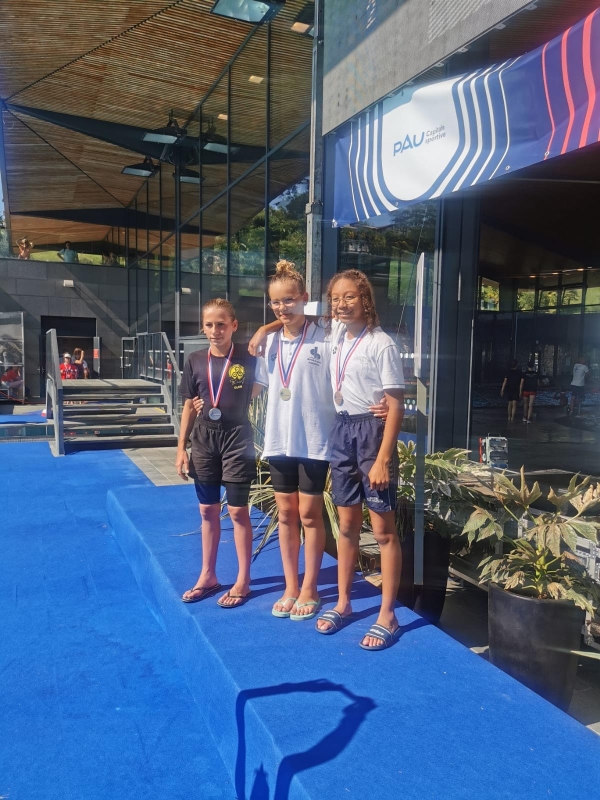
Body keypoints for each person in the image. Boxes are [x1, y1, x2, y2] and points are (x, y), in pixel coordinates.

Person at [315, 270, 405, 651]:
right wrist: (259, 330)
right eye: (335, 298)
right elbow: (295, 314)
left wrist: (383, 458)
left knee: (383, 531)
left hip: (371, 435)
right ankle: (344, 602)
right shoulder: (336, 334)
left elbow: (396, 403)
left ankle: (388, 614)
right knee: (347, 525)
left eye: (349, 297)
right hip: (342, 431)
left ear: (365, 299)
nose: (340, 304)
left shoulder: (380, 343)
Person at [176, 298, 268, 609]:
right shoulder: (195, 360)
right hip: (203, 441)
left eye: (221, 324)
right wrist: (180, 448)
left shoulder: (248, 356)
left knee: (239, 512)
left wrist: (267, 327)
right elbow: (189, 404)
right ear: (202, 327)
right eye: (209, 324)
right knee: (207, 512)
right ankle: (208, 575)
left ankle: (243, 579)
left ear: (233, 326)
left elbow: (263, 384)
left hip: (237, 439)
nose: (215, 330)